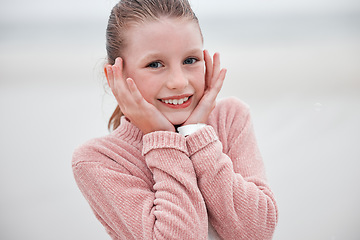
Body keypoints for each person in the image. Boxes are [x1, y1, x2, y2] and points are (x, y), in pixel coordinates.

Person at [72, 0, 278, 239]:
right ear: (115, 76)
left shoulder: (230, 118)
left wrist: (195, 132)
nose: (178, 81)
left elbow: (256, 232)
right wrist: (163, 139)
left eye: (190, 60)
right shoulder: (100, 159)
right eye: (155, 64)